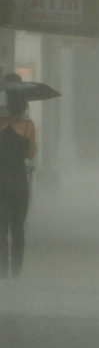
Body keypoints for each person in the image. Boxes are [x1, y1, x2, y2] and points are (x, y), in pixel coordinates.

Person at [0, 89, 36, 278]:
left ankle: (2, 269)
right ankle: (16, 269)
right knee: (17, 228)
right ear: (23, 106)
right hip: (19, 181)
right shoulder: (29, 126)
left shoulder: (1, 123)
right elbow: (30, 154)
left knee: (1, 227)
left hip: (1, 180)